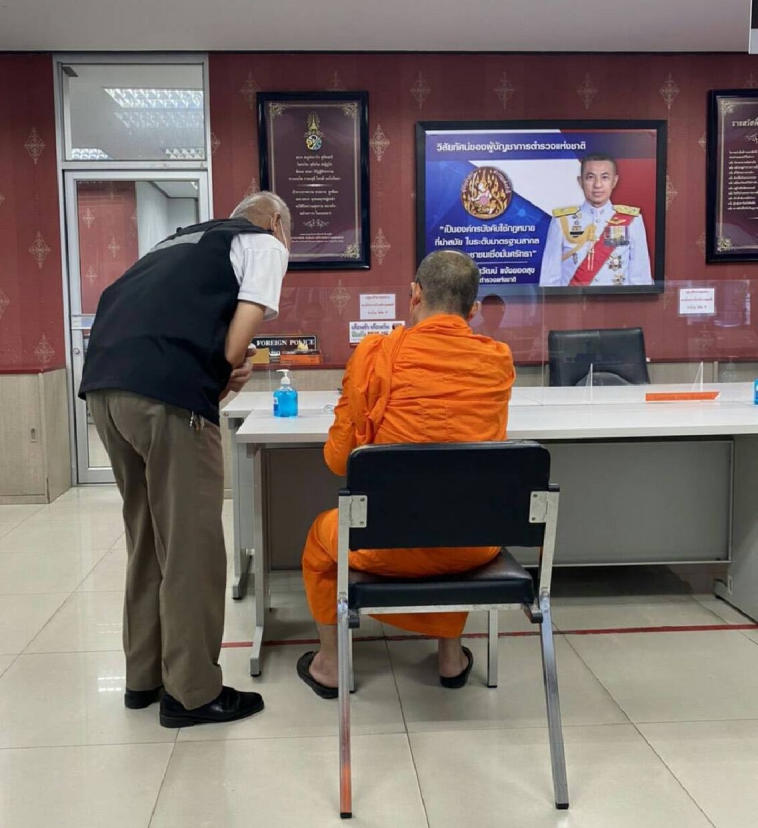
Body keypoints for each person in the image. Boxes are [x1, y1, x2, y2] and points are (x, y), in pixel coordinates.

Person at [80, 192, 291, 728]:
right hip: (165, 399)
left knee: (147, 538)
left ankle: (143, 678)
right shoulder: (263, 242)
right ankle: (193, 692)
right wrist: (227, 370)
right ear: (276, 221)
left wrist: (215, 379)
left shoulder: (176, 243)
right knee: (192, 547)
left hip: (105, 390)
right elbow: (233, 347)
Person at [297, 250, 515, 698]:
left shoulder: (375, 354)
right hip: (475, 544)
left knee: (320, 539)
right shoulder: (497, 360)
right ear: (474, 310)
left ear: (414, 295)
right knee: (454, 508)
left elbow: (338, 462)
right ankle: (451, 657)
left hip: (385, 544)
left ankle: (331, 664)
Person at [539, 153, 653, 287]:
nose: (598, 185)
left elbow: (641, 279)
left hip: (617, 300)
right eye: (590, 177)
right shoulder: (562, 221)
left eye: (605, 177)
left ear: (614, 181)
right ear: (580, 181)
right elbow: (549, 280)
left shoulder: (632, 221)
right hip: (574, 300)